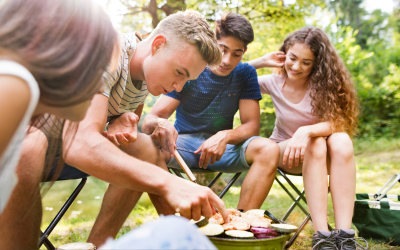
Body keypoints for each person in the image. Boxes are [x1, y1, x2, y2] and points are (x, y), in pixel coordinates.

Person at [0, 1, 221, 249]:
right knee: (32, 144)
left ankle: (98, 245)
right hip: (38, 147)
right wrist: (168, 182)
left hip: (57, 150)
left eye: (187, 80)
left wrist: (119, 121)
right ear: (158, 45)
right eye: (179, 73)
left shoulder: (146, 81)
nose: (178, 88)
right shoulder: (108, 51)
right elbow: (80, 142)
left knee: (146, 149)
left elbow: (117, 130)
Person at [139, 13, 282, 211]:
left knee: (269, 149)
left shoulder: (246, 73)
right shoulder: (192, 68)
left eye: (236, 54)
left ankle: (240, 226)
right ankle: (176, 229)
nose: (227, 60)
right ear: (213, 42)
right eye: (222, 50)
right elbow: (151, 119)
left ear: (245, 52)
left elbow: (252, 126)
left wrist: (225, 136)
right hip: (183, 146)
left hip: (223, 150)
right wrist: (162, 125)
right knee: (146, 147)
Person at [248, 27, 367, 250]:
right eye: (292, 58)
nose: (296, 67)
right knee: (317, 143)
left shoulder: (325, 85)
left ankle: (345, 235)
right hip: (284, 151)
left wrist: (306, 131)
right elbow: (227, 73)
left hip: (321, 156)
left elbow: (339, 123)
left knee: (340, 140)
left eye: (306, 62)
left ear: (317, 63)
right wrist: (260, 61)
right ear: (284, 53)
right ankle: (322, 235)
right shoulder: (272, 82)